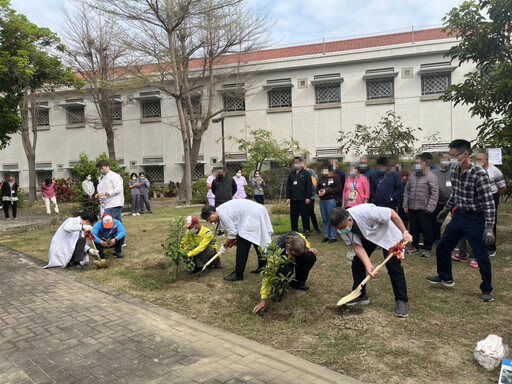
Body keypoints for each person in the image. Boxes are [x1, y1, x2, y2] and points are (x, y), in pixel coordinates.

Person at [427, 139, 496, 302]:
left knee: (480, 255)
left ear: (466, 154)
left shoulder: (479, 173)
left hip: (475, 219)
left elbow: (488, 202)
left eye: (454, 155)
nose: (451, 158)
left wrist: (489, 227)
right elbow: (456, 194)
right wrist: (446, 209)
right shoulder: (456, 171)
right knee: (443, 246)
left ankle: (487, 288)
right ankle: (446, 277)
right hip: (459, 217)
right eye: (450, 155)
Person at [329, 205, 412, 318]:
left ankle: (402, 301)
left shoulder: (367, 212)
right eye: (340, 229)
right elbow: (356, 246)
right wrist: (368, 265)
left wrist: (404, 231)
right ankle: (360, 295)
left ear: (350, 220)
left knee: (393, 266)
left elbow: (391, 213)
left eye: (343, 228)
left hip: (386, 233)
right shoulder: (341, 227)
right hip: (366, 237)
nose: (342, 231)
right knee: (357, 262)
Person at [200, 199, 273, 282]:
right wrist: (234, 239)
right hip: (257, 211)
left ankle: (238, 273)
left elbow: (232, 233)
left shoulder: (223, 213)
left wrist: (225, 245)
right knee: (256, 240)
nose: (211, 222)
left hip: (253, 214)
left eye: (209, 219)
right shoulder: (222, 209)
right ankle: (262, 267)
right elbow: (236, 228)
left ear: (212, 213)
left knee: (243, 243)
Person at [253, 232, 317, 313]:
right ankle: (278, 289)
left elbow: (304, 240)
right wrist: (263, 300)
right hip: (280, 260)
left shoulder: (298, 237)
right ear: (287, 246)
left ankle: (297, 283)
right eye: (293, 255)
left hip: (291, 252)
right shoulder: (275, 253)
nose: (294, 258)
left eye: (296, 256)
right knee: (286, 270)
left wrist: (309, 248)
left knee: (310, 257)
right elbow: (268, 276)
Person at [403, 154, 439, 257]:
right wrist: (406, 204)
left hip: (425, 209)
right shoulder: (412, 176)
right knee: (413, 229)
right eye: (415, 164)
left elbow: (434, 193)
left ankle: (427, 249)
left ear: (424, 163)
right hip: (412, 208)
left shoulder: (431, 176)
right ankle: (415, 247)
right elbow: (407, 191)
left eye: (418, 163)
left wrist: (430, 207)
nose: (416, 165)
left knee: (427, 229)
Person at [475, 151, 507, 257]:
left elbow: (502, 187)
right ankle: (479, 245)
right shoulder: (474, 169)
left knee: (490, 222)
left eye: (480, 159)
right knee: (478, 221)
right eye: (476, 159)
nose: (477, 161)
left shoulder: (495, 171)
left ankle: (490, 248)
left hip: (492, 197)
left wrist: (495, 197)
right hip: (478, 198)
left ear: (487, 160)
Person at [286, 158, 312, 236]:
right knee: (293, 215)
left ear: (301, 163)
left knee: (304, 215)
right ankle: (294, 230)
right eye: (295, 163)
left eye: (297, 163)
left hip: (303, 199)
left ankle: (306, 229)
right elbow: (288, 186)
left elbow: (309, 186)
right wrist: (288, 197)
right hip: (293, 199)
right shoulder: (291, 174)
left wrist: (308, 197)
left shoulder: (306, 173)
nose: (296, 164)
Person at [317, 163, 341, 243]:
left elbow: (338, 189)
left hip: (331, 200)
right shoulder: (321, 178)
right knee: (325, 218)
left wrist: (326, 191)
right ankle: (326, 235)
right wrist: (319, 192)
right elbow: (317, 188)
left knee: (332, 218)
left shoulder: (335, 178)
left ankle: (334, 236)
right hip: (322, 200)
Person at [432, 154, 454, 243]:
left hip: (453, 202)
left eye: (447, 159)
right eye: (443, 159)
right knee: (437, 221)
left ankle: (454, 239)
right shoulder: (435, 172)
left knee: (455, 221)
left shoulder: (454, 171)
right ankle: (436, 239)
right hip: (439, 201)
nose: (445, 161)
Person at [305, 165, 321, 234]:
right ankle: (307, 229)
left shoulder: (311, 172)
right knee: (305, 214)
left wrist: (310, 194)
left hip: (311, 196)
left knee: (311, 212)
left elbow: (314, 184)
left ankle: (317, 228)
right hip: (302, 197)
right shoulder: (299, 172)